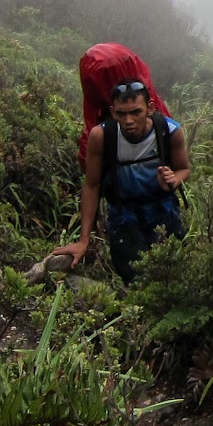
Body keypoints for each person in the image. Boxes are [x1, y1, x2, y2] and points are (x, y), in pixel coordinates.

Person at [53, 79, 190, 283]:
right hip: (123, 217)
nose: (128, 120)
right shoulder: (102, 136)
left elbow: (184, 168)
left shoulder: (169, 131)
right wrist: (84, 240)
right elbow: (92, 185)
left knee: (177, 276)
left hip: (164, 210)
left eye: (136, 112)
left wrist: (173, 179)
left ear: (150, 108)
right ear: (113, 111)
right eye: (121, 113)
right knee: (136, 281)